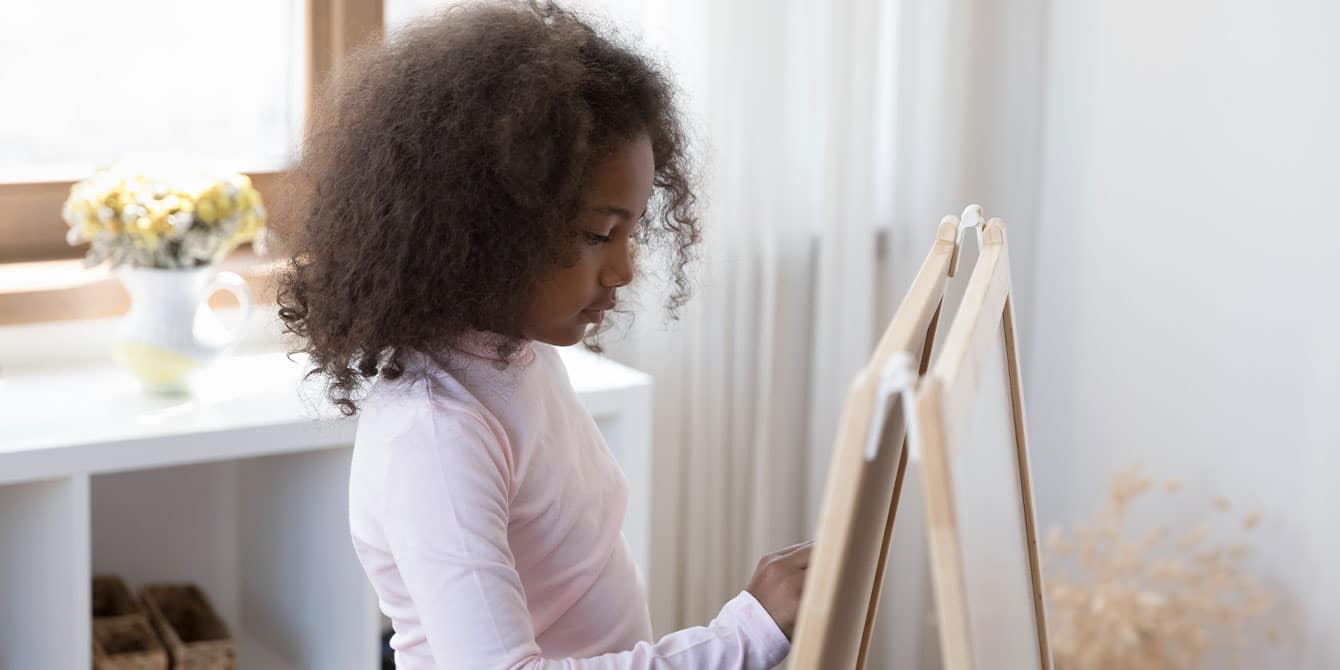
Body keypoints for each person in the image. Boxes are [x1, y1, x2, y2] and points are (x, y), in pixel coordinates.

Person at [274, 1, 811, 667]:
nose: (623, 270)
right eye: (596, 235)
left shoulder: (510, 354)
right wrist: (742, 637)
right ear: (487, 228)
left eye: (632, 231)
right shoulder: (437, 433)